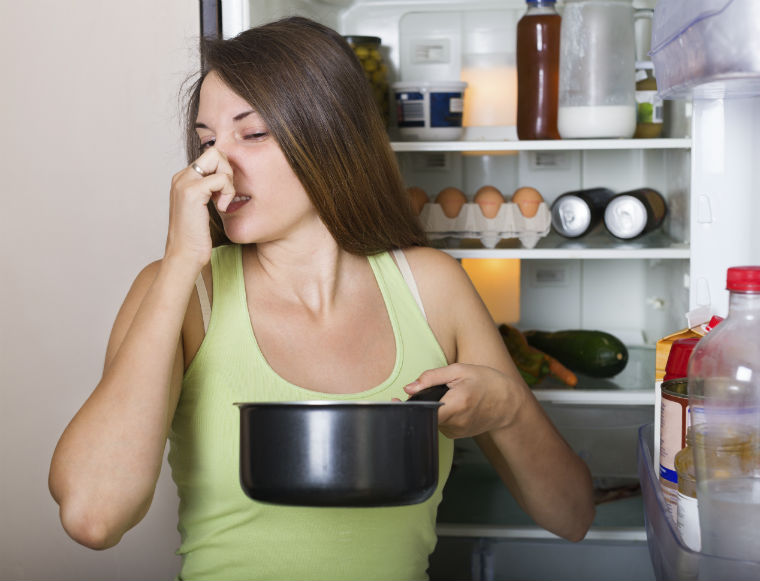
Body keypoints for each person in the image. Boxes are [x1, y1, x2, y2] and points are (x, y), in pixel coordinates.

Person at [48, 16, 594, 581]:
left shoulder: (431, 287)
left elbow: (572, 515)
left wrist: (505, 408)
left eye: (253, 134)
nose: (214, 165)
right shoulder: (183, 295)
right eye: (207, 141)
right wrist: (181, 261)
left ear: (329, 132)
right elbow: (93, 517)